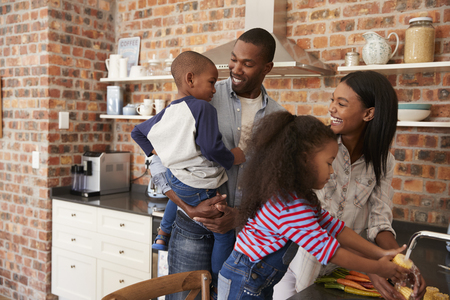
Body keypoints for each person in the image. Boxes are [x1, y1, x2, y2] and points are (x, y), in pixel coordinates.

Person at [148, 28, 286, 299]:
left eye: (247, 63)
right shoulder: (200, 96)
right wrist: (188, 206)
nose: (235, 68)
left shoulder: (279, 117)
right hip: (191, 226)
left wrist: (240, 216)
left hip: (248, 235)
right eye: (233, 59)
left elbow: (276, 184)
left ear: (267, 67)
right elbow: (157, 160)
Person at [217, 112, 410, 300]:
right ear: (304, 159)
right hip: (244, 281)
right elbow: (330, 252)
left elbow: (336, 228)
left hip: (256, 280)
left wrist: (381, 253)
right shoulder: (288, 207)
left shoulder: (298, 197)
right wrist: (377, 267)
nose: (332, 171)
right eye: (329, 162)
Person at [273, 71, 427, 300]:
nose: (331, 108)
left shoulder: (383, 162)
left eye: (341, 103)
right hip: (292, 263)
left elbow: (379, 222)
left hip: (339, 269)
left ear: (368, 113)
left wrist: (401, 262)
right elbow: (318, 223)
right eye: (332, 100)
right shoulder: (316, 149)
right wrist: (372, 265)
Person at [131, 51, 245, 284]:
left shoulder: (169, 111)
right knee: (223, 236)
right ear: (190, 79)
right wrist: (233, 158)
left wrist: (160, 152)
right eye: (212, 82)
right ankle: (217, 285)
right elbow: (212, 149)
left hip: (178, 181)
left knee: (177, 193)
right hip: (200, 185)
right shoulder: (204, 109)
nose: (215, 89)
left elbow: (137, 132)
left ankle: (162, 234)